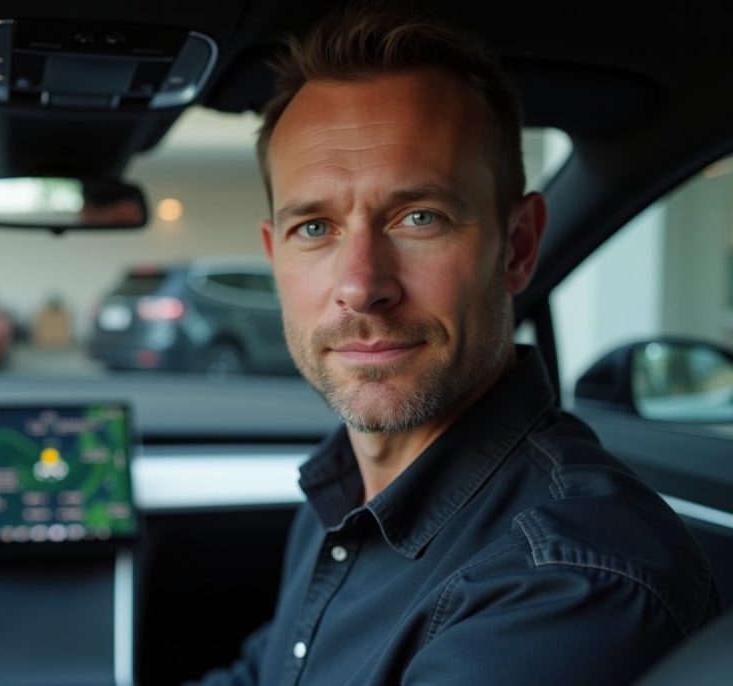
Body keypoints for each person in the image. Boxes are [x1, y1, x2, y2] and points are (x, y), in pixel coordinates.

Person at [191, 6, 719, 685]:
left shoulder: (568, 581)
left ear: (519, 246)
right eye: (315, 228)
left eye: (418, 217)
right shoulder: (348, 489)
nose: (361, 286)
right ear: (275, 256)